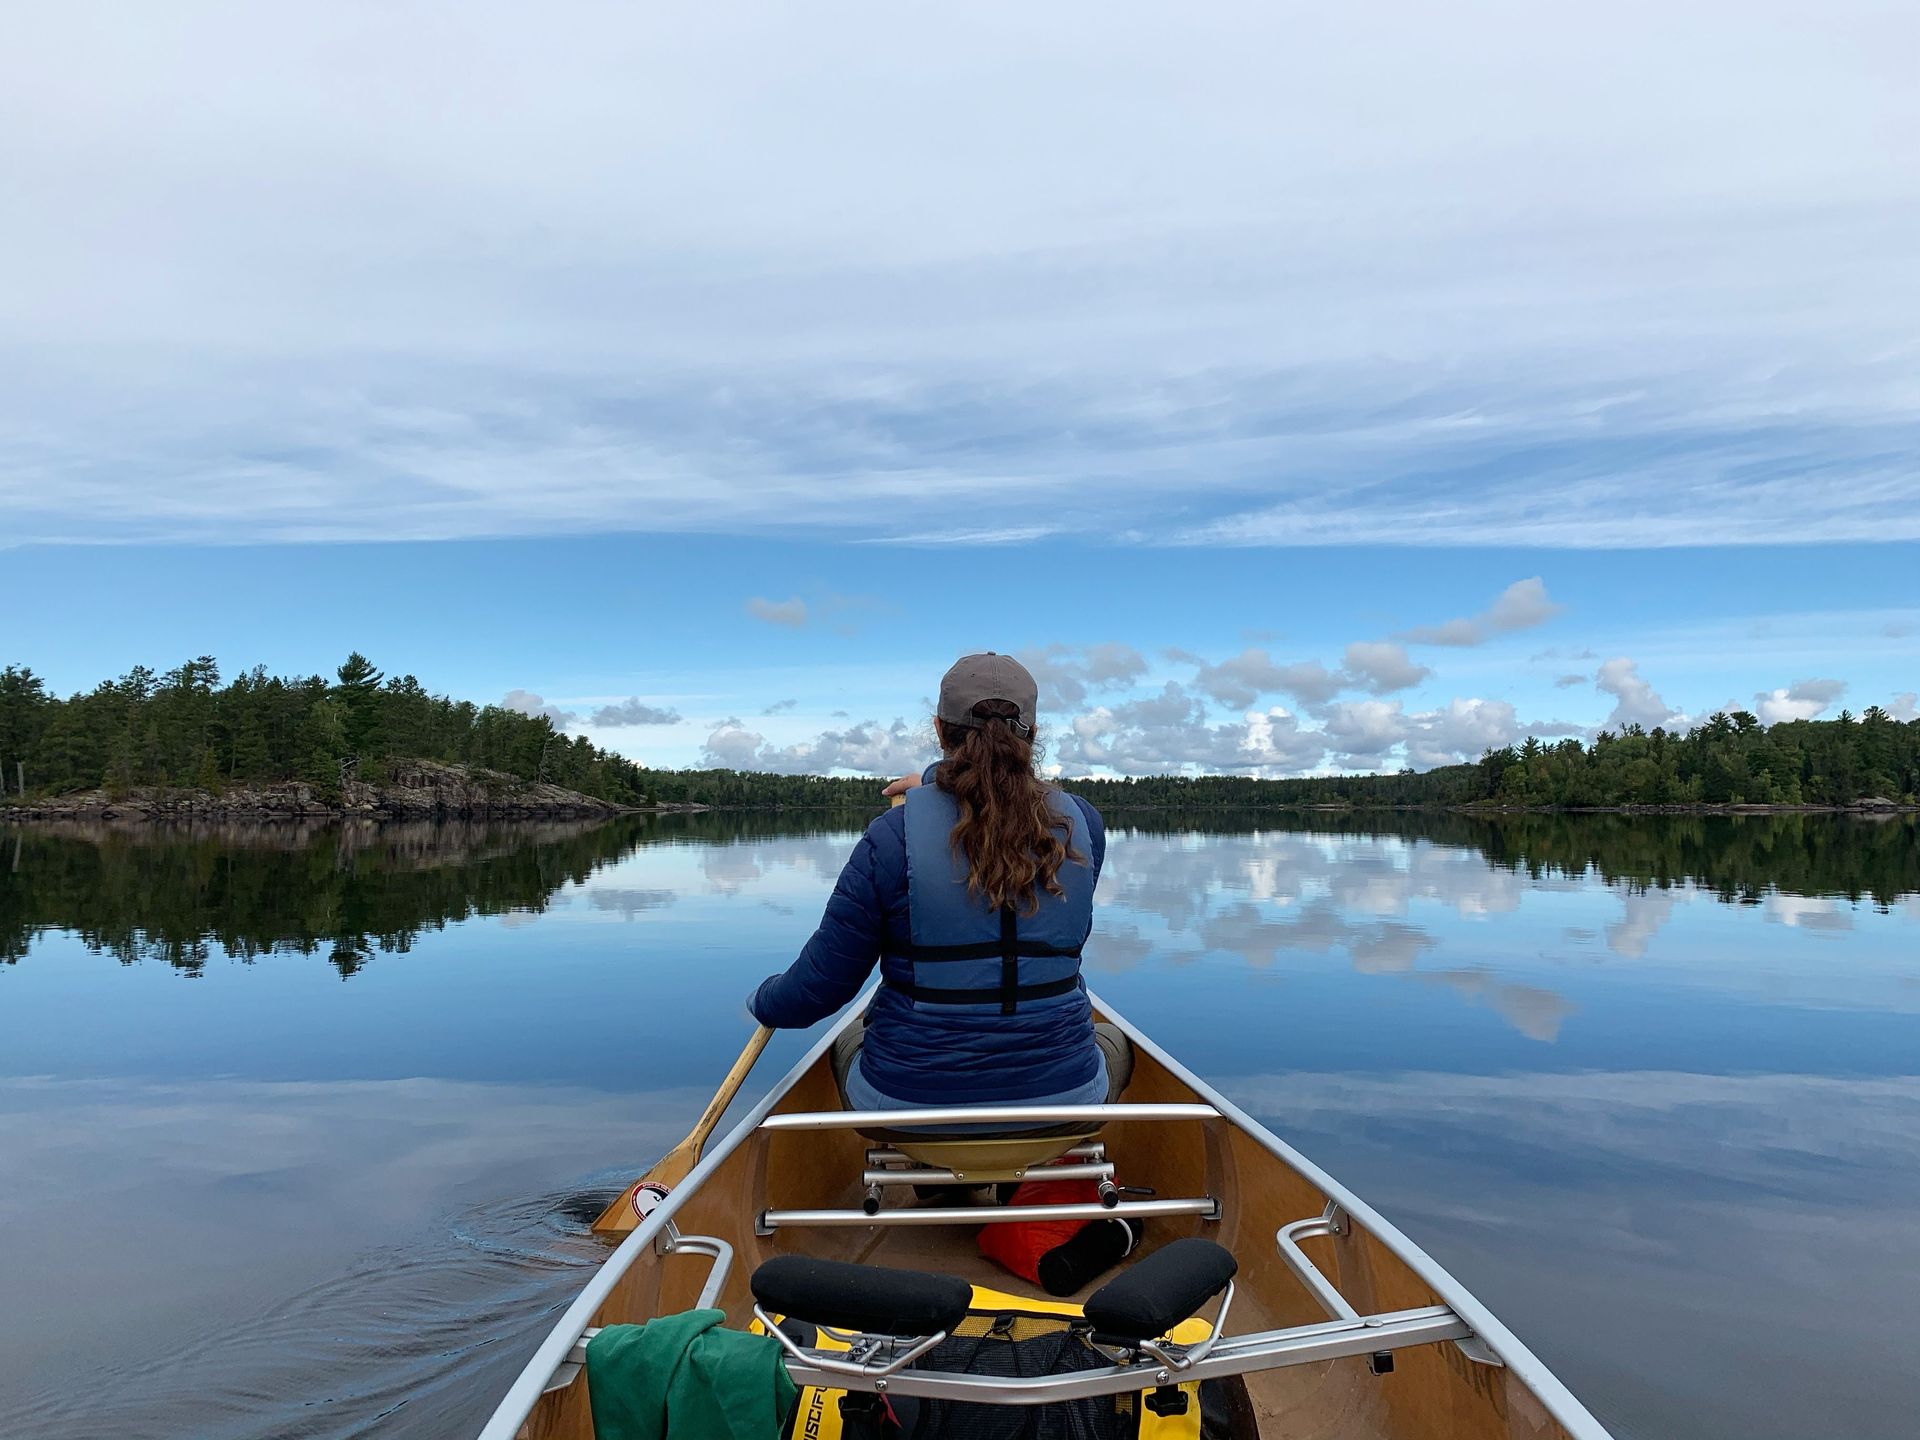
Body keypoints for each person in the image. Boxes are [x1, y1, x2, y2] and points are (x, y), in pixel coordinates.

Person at [748, 652, 1131, 1119]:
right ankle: (1021, 1175)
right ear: (1031, 733)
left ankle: (928, 1175)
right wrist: (934, 781)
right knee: (1114, 1042)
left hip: (911, 1108)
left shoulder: (890, 838)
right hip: (1064, 1102)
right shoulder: (1083, 824)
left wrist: (763, 998)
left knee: (848, 1039)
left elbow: (815, 994)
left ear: (938, 729)